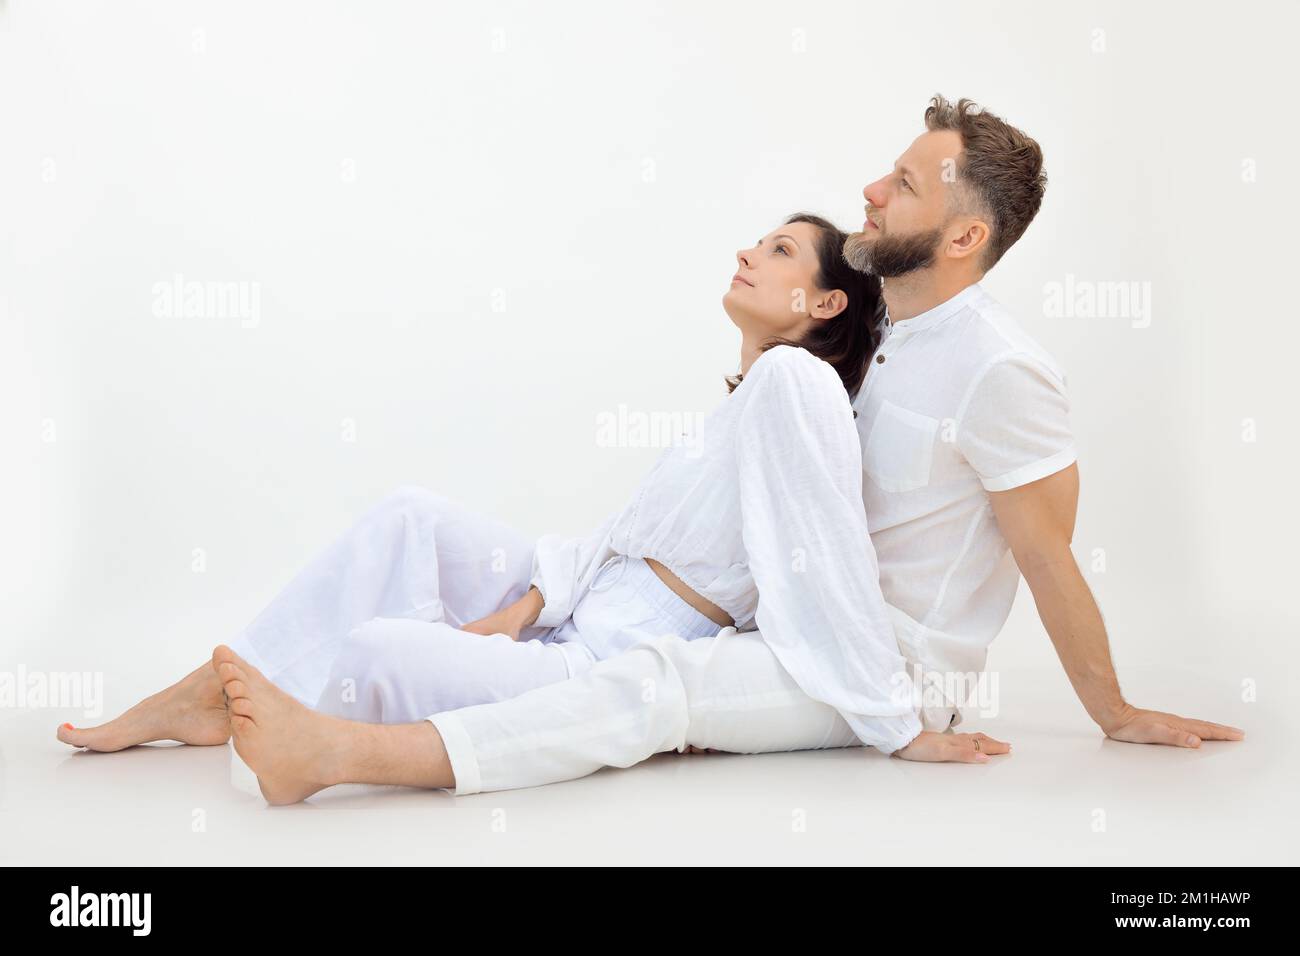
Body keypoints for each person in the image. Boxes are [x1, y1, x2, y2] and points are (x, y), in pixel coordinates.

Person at [200, 93, 1243, 802]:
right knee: (425, 523)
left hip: (884, 666)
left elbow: (1046, 552)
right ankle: (221, 692)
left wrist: (1107, 711)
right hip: (782, 615)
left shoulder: (1000, 369)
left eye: (905, 184)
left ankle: (348, 748)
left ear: (964, 237)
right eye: (887, 171)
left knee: (666, 683)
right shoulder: (861, 336)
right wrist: (550, 594)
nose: (872, 191)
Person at [61, 212, 1000, 804]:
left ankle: (296, 726)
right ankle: (207, 695)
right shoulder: (744, 402)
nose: (749, 252)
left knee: (377, 650)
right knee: (411, 515)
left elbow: (824, 556)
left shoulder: (797, 384)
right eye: (759, 241)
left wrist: (895, 720)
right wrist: (522, 610)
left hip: (602, 655)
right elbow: (620, 539)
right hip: (573, 609)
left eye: (780, 250)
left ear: (825, 300)